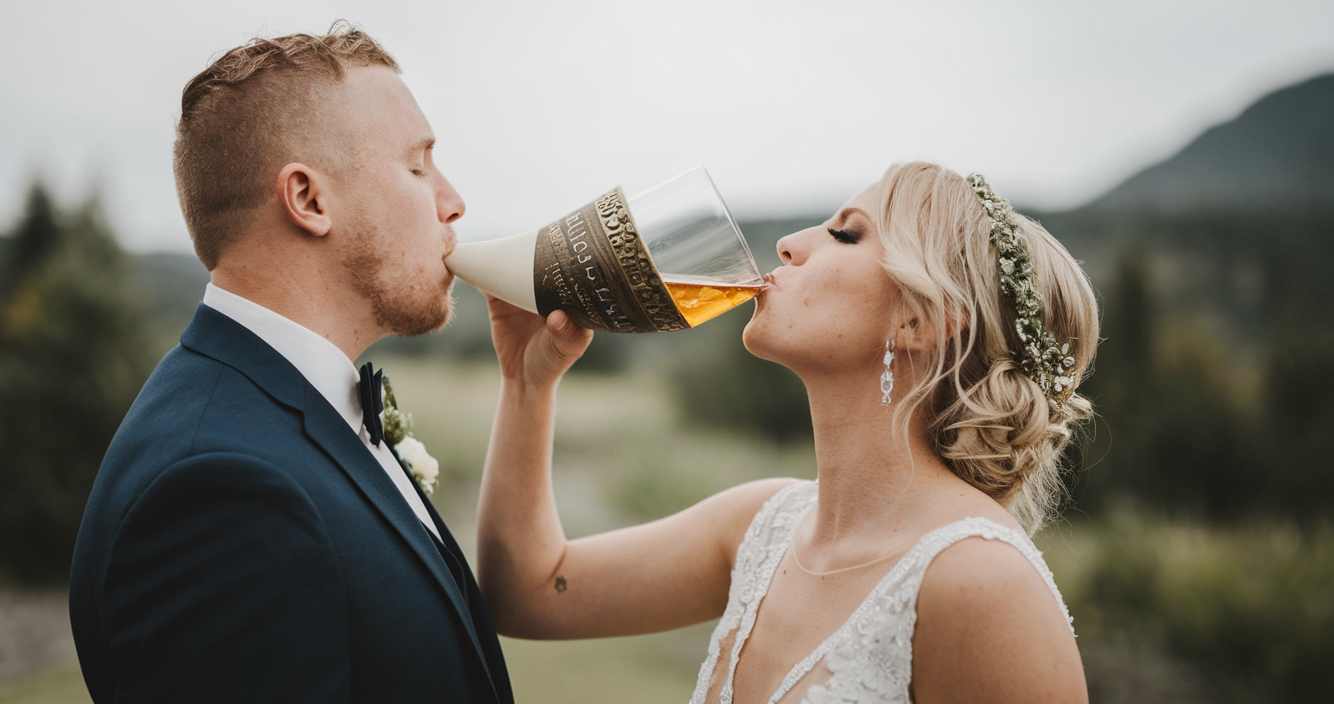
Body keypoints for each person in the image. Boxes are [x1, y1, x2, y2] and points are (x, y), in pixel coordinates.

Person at [477, 162, 1095, 702]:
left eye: (844, 234)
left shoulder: (981, 583)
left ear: (919, 319)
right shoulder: (762, 528)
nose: (788, 244)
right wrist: (528, 385)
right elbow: (529, 592)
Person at [69, 25, 514, 703]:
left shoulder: (292, 412)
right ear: (308, 200)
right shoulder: (218, 490)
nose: (452, 202)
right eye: (418, 166)